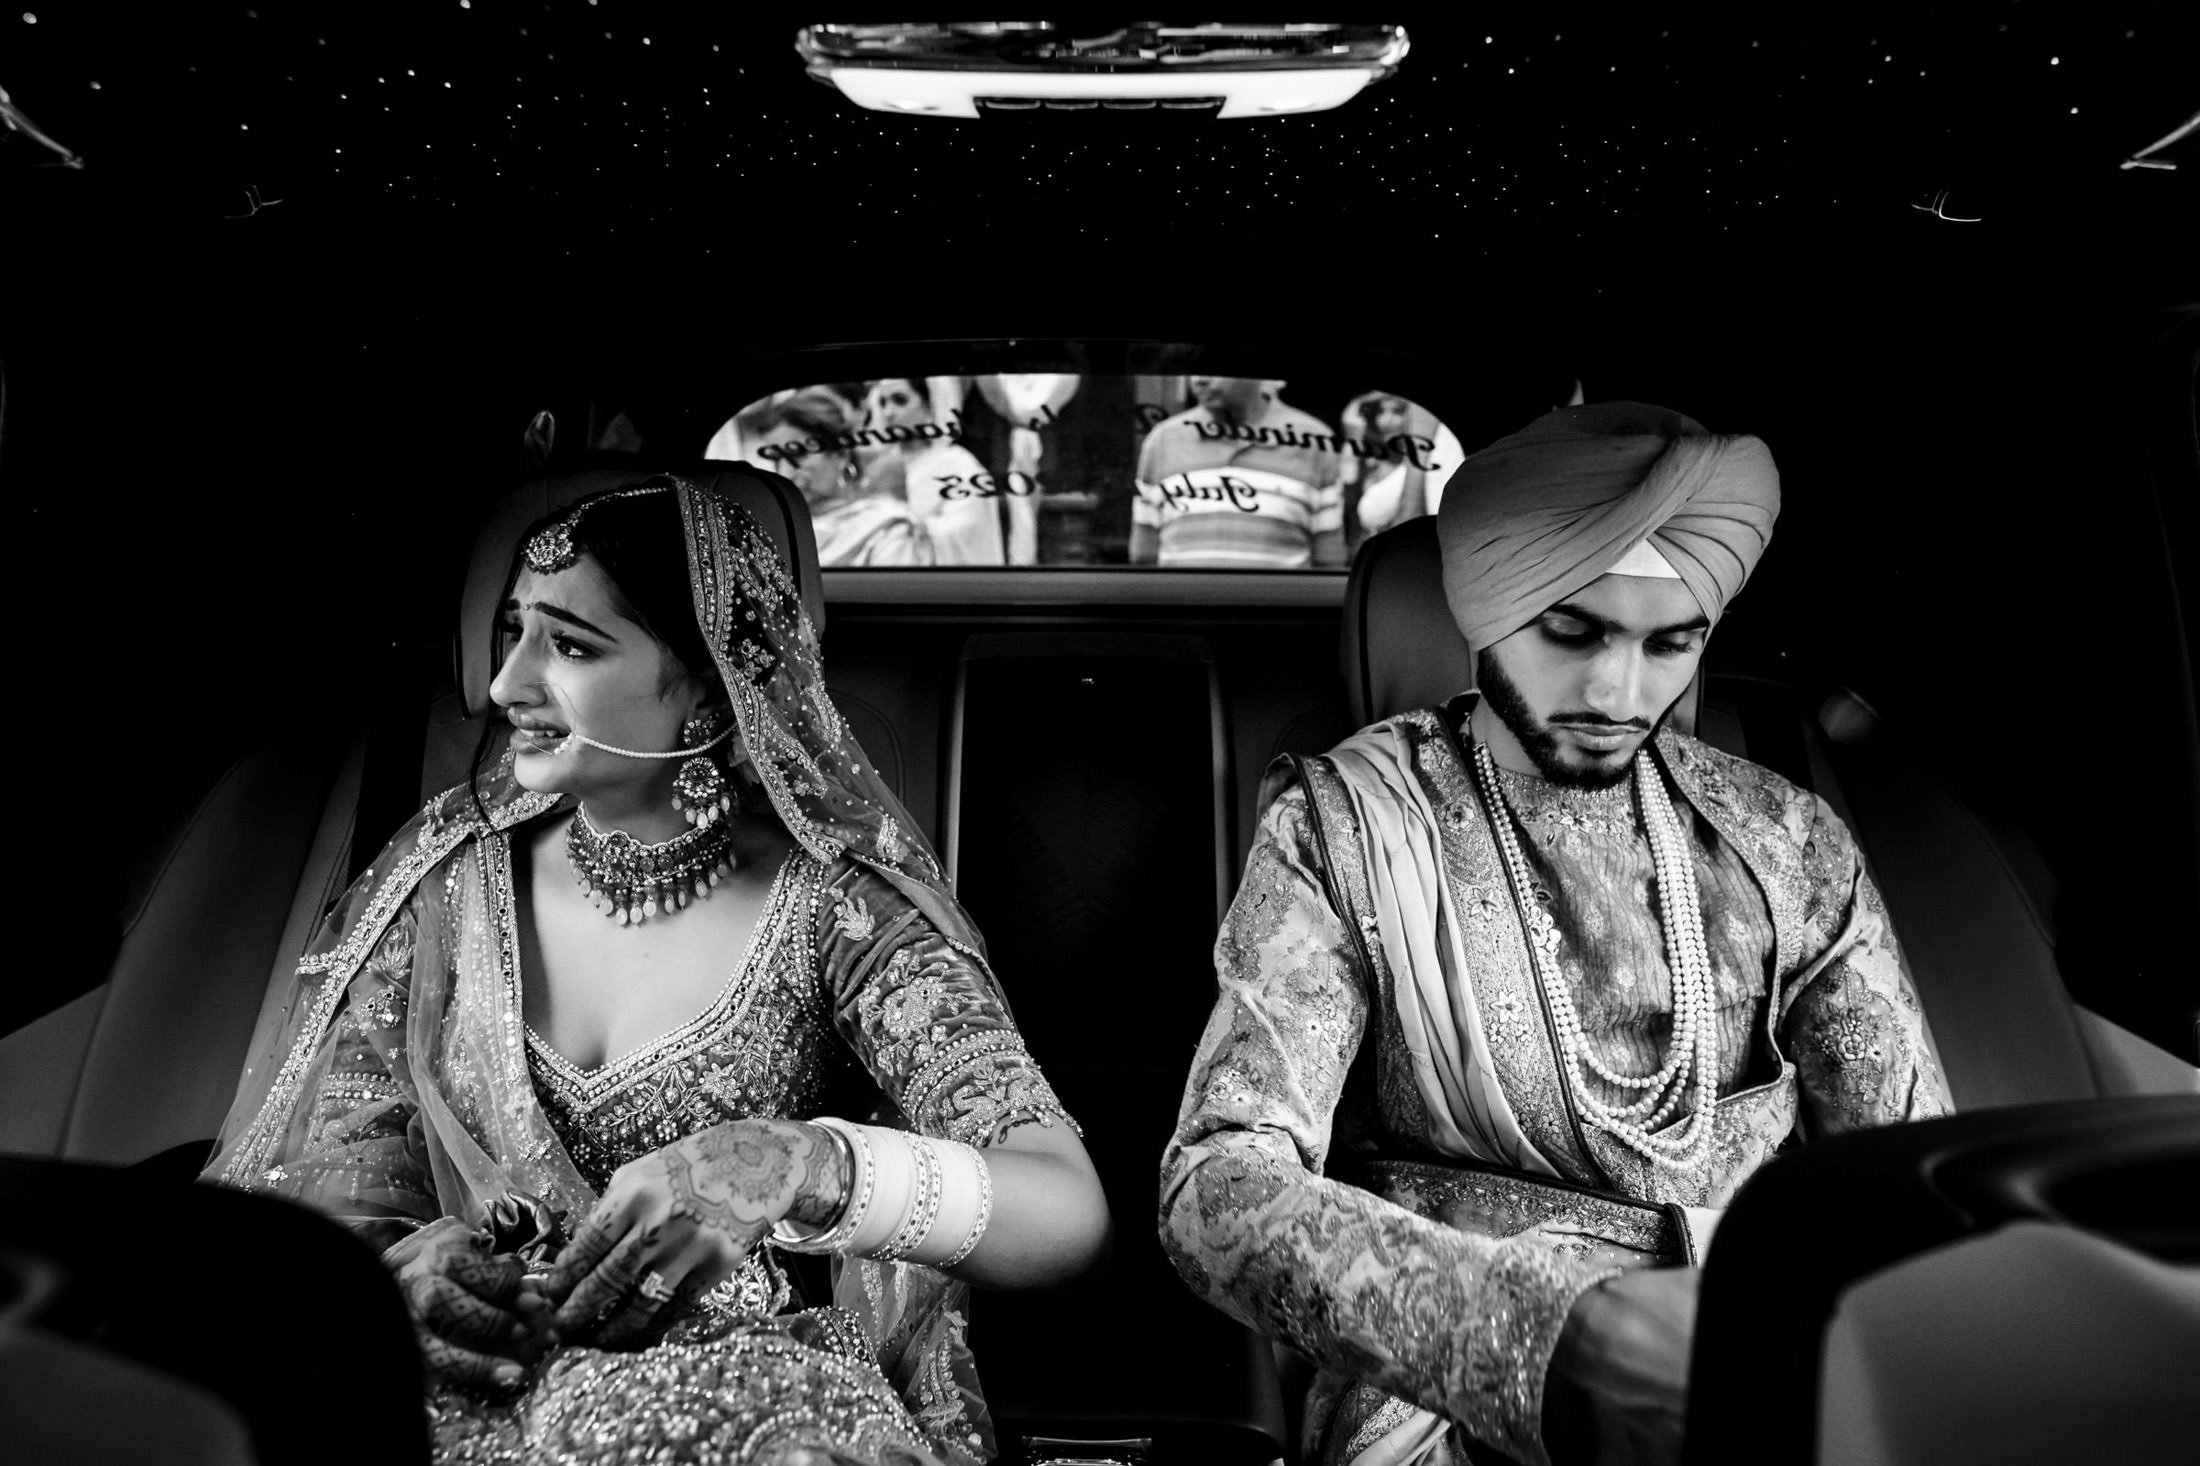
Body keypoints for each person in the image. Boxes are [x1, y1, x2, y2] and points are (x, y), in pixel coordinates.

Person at [204, 476, 1110, 1465]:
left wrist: (798, 1163)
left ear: (709, 684)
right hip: (463, 1396)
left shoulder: (836, 909)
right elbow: (331, 1191)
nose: (509, 685)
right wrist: (397, 1273)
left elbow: (1060, 1210)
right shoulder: (445, 883)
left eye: (572, 645)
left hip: (752, 1408)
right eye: (512, 632)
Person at [1158, 402, 1951, 1466]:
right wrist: (1537, 1335)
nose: (1620, 692)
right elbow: (1215, 1185)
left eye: (1671, 642)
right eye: (1572, 632)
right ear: (1489, 607)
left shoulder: (1788, 842)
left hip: (1759, 1364)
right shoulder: (1347, 825)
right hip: (1450, 1391)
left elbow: (1909, 1179)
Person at [1130, 375, 1345, 569]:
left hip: (1280, 612)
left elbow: (1329, 562)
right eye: (1192, 368)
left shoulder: (1316, 441)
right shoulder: (1163, 440)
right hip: (1183, 610)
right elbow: (1143, 559)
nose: (1198, 380)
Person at [722, 388, 937, 568]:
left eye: (800, 454)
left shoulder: (887, 528)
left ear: (841, 455)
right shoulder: (771, 534)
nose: (786, 472)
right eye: (778, 460)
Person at [864, 378, 1022, 566]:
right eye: (882, 403)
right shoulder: (877, 466)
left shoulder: (959, 464)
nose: (888, 412)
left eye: (900, 400)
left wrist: (908, 530)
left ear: (929, 405)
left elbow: (968, 529)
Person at [1340, 390, 1467, 543]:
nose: (1386, 420)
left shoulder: (1425, 459)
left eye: (1398, 411)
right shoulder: (1371, 458)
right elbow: (1347, 513)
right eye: (1381, 411)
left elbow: (1370, 512)